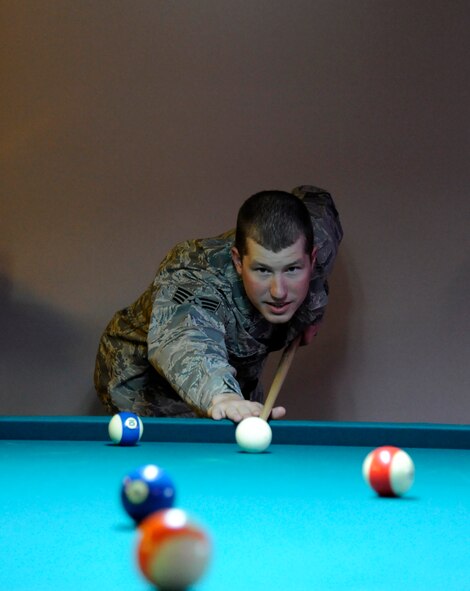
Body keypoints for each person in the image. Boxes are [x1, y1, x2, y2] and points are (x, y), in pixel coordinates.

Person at [94, 185, 343, 423]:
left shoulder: (317, 238)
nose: (279, 291)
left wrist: (312, 314)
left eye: (292, 269)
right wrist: (221, 395)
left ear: (312, 257)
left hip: (237, 370)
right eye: (262, 271)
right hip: (146, 380)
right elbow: (185, 340)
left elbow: (317, 200)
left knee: (243, 423)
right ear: (238, 261)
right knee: (195, 455)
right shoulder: (195, 277)